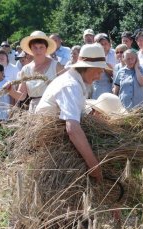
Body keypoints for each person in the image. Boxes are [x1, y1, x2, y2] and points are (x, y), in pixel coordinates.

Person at [35, 43, 106, 183]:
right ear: (86, 68)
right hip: (49, 149)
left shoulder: (78, 83)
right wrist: (94, 166)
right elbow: (72, 129)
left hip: (58, 143)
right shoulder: (70, 85)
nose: (99, 77)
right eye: (98, 71)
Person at [6, 31, 64, 112]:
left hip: (53, 110)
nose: (38, 50)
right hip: (34, 111)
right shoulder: (25, 69)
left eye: (41, 47)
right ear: (30, 49)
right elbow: (22, 96)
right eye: (35, 47)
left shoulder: (56, 66)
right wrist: (11, 91)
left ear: (46, 48)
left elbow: (66, 89)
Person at [92, 33, 116, 99]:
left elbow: (115, 70)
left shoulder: (115, 53)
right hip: (97, 84)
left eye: (105, 43)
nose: (104, 46)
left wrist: (105, 65)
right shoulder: (94, 55)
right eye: (101, 44)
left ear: (109, 44)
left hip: (111, 84)